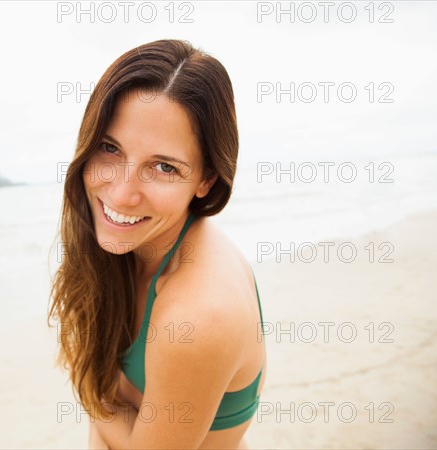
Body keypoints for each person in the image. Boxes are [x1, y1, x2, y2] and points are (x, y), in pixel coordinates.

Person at [49, 39, 266, 449]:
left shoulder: (198, 315)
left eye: (164, 167)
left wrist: (91, 391)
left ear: (207, 181)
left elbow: (105, 402)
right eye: (110, 148)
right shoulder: (137, 247)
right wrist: (103, 403)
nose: (121, 194)